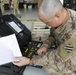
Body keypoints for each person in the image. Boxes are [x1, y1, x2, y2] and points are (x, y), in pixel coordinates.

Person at [13, 0, 76, 75]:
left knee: (51, 68)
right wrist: (46, 44)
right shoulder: (64, 14)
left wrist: (30, 61)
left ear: (57, 15)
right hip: (67, 46)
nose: (47, 25)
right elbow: (54, 34)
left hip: (71, 52)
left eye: (47, 22)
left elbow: (57, 56)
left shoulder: (73, 33)